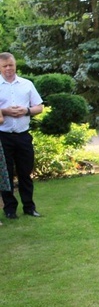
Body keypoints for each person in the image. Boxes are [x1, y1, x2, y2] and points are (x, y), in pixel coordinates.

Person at [0, 52, 44, 219]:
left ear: (15, 65)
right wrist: (6, 111)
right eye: (5, 66)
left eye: (11, 65)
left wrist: (26, 110)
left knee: (25, 172)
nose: (8, 68)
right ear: (0, 67)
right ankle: (10, 209)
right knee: (6, 175)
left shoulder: (26, 84)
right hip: (3, 136)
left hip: (23, 135)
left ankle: (29, 207)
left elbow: (39, 107)